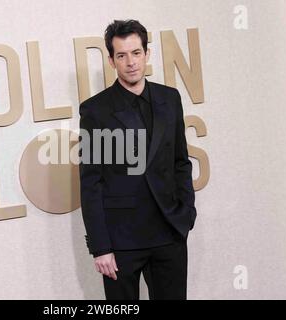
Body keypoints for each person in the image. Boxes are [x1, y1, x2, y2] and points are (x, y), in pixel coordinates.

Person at [78, 19, 197, 300]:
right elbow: (91, 182)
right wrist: (101, 246)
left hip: (169, 233)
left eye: (136, 53)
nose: (130, 62)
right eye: (121, 55)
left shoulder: (171, 98)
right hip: (121, 242)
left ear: (147, 54)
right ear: (111, 60)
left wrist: (185, 213)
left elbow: (181, 161)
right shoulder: (95, 110)